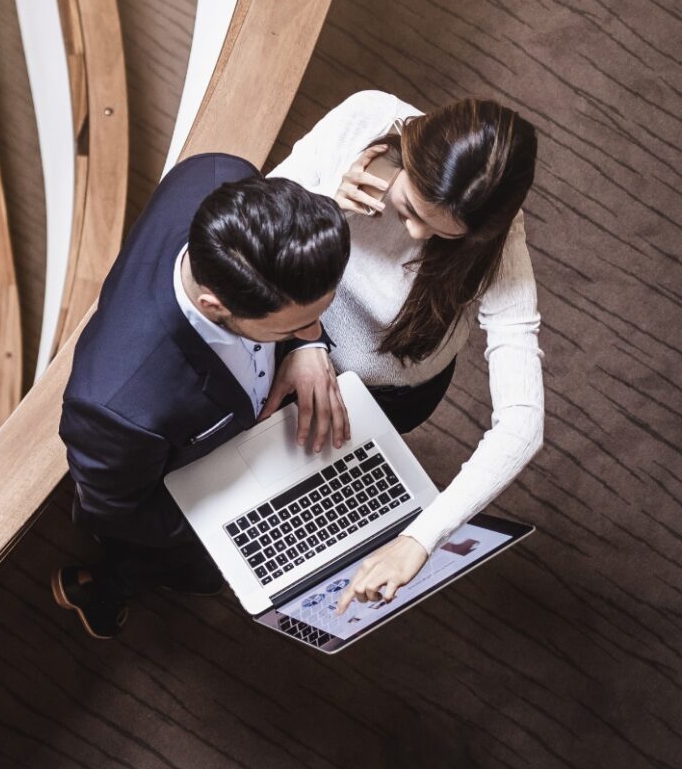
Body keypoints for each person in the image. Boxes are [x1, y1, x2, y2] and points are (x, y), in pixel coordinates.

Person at [54, 152, 351, 638]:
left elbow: (305, 319)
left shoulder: (222, 173)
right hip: (183, 502)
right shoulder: (118, 405)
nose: (316, 330)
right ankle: (114, 583)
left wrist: (306, 346)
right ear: (214, 305)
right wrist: (236, 517)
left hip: (240, 437)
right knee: (197, 571)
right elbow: (119, 509)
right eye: (296, 326)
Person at [268, 90, 543, 613]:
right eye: (412, 210)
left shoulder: (498, 242)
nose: (417, 235)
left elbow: (523, 422)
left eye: (444, 236)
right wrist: (322, 201)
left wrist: (421, 538)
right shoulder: (365, 117)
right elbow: (251, 223)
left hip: (393, 393)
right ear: (409, 152)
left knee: (308, 478)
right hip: (291, 330)